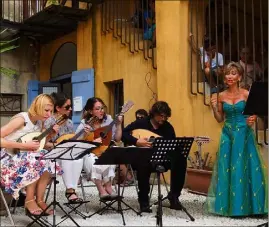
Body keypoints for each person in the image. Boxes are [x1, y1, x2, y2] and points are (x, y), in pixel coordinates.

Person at [206, 62, 268, 216]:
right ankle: (229, 207)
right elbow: (220, 119)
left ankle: (251, 207)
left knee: (243, 167)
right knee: (226, 168)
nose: (230, 76)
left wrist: (252, 118)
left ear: (239, 77)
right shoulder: (220, 96)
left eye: (233, 73)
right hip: (227, 133)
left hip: (243, 133)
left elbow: (254, 113)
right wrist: (214, 107)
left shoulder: (246, 94)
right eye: (227, 73)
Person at [0, 94, 62, 216]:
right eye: (46, 110)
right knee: (34, 159)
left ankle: (39, 200)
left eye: (51, 111)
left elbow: (37, 146)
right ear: (38, 106)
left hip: (23, 158)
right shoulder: (22, 119)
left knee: (46, 157)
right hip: (7, 160)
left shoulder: (39, 123)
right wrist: (24, 146)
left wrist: (50, 136)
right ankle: (29, 200)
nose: (49, 114)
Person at [122, 101, 186, 212]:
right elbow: (124, 133)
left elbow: (172, 146)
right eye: (161, 116)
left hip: (161, 158)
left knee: (181, 161)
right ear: (154, 113)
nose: (163, 118)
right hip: (141, 158)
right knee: (143, 163)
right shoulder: (141, 123)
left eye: (166, 116)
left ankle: (174, 196)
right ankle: (144, 201)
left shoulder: (168, 127)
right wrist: (136, 141)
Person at [75, 97, 123, 199]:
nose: (101, 111)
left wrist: (119, 125)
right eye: (97, 109)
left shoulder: (108, 120)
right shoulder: (85, 123)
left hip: (104, 150)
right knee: (93, 160)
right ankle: (101, 189)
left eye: (102, 108)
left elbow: (117, 139)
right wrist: (87, 136)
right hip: (89, 152)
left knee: (109, 156)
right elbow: (76, 142)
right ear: (90, 111)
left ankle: (109, 186)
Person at [44, 92, 84, 203]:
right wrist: (57, 145)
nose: (70, 109)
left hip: (66, 151)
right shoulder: (49, 122)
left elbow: (71, 139)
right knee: (66, 158)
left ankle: (72, 188)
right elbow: (43, 144)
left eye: (71, 106)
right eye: (67, 107)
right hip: (51, 153)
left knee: (78, 158)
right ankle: (70, 191)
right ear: (58, 108)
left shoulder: (69, 122)